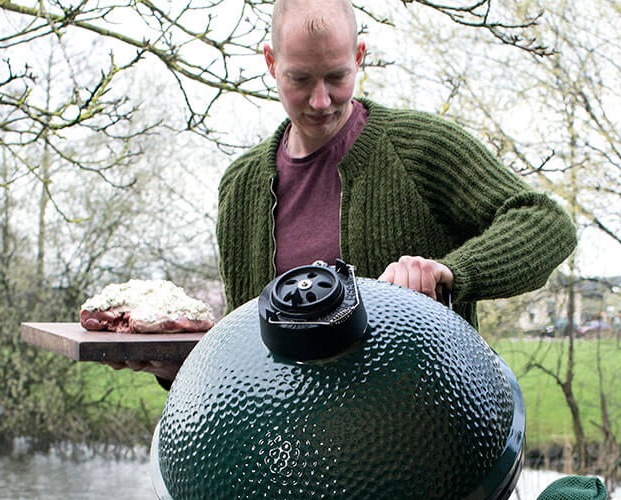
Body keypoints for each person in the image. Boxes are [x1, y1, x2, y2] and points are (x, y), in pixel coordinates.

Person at [217, 0, 576, 328]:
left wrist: (451, 272)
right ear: (271, 63)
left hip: (423, 383)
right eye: (300, 79)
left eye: (337, 77)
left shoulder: (422, 149)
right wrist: (189, 349)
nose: (321, 100)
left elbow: (546, 223)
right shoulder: (241, 186)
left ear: (358, 57)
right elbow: (239, 349)